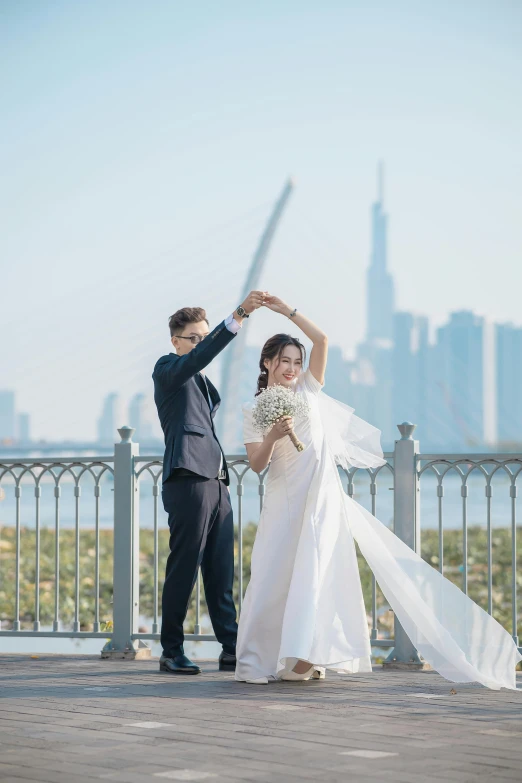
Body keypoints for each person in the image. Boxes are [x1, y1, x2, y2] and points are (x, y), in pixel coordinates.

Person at [235, 294, 521, 690]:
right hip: (284, 500)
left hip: (321, 499)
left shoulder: (310, 391)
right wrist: (273, 434)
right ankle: (253, 662)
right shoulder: (253, 411)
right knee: (271, 575)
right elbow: (256, 464)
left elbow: (322, 341)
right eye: (285, 361)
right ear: (267, 362)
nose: (293, 368)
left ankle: (302, 658)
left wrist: (286, 311)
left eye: (297, 362)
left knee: (315, 575)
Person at [153, 291, 266, 675]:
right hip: (188, 480)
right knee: (184, 568)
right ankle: (171, 650)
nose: (200, 343)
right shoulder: (168, 369)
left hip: (217, 482)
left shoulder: (200, 382)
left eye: (205, 335)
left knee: (220, 571)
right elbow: (200, 357)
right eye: (194, 337)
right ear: (176, 341)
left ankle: (231, 648)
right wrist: (238, 316)